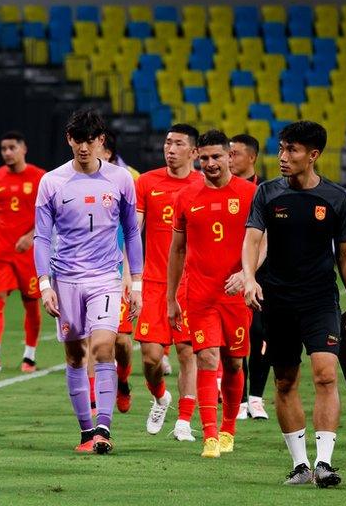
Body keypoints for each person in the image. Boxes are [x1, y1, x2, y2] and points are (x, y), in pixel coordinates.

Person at [241, 120, 346, 487]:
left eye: (291, 150)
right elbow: (251, 240)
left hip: (320, 299)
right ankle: (300, 465)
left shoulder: (336, 197)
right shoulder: (266, 193)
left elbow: (345, 253)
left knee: (326, 373)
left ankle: (324, 463)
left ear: (313, 155)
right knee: (284, 381)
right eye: (280, 148)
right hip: (277, 299)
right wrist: (249, 277)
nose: (282, 157)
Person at [35, 110, 143, 454]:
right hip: (65, 278)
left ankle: (103, 427)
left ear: (101, 141)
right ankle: (85, 432)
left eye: (91, 140)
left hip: (105, 278)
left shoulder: (121, 179)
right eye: (77, 140)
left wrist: (136, 282)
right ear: (69, 140)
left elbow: (131, 230)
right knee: (74, 355)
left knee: (103, 348)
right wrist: (44, 284)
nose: (84, 147)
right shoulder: (52, 182)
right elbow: (41, 236)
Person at [167, 130, 258, 458]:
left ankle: (228, 428)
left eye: (216, 156)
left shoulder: (250, 194)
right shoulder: (186, 196)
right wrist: (170, 298)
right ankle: (209, 435)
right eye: (204, 158)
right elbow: (176, 250)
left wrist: (247, 275)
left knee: (234, 363)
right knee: (206, 357)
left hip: (236, 295)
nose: (210, 163)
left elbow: (263, 242)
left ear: (229, 157)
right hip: (200, 294)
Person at [134, 123, 202, 440]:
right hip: (153, 283)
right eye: (167, 142)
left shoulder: (203, 184)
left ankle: (184, 423)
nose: (170, 149)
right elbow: (133, 233)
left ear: (194, 151)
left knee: (188, 354)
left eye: (177, 144)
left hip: (191, 286)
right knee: (150, 357)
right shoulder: (147, 183)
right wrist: (129, 276)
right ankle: (161, 397)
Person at [0, 131, 45, 373]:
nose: (7, 152)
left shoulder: (39, 177)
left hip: (28, 251)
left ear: (23, 148)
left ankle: (29, 356)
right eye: (3, 148)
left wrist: (31, 236)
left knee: (31, 303)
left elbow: (48, 215)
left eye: (11, 148)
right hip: (0, 251)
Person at [228, 133, 269, 420]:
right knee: (233, 337)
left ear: (252, 157)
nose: (229, 158)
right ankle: (238, 399)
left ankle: (256, 397)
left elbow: (266, 237)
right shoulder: (220, 189)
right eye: (227, 153)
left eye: (235, 153)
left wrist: (249, 272)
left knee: (261, 334)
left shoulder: (264, 191)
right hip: (229, 275)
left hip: (261, 274)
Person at [101, 130, 139, 413]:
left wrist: (130, 273)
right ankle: (94, 411)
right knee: (94, 342)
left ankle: (123, 379)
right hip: (84, 273)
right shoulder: (69, 180)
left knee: (122, 341)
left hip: (117, 269)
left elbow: (131, 231)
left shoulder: (127, 181)